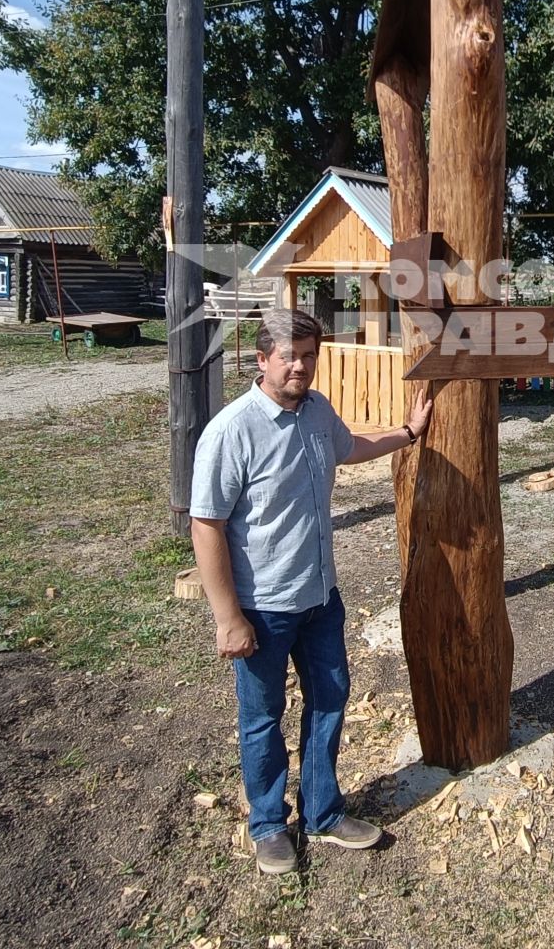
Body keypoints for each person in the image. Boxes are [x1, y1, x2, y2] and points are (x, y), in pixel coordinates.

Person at [190, 307, 432, 875]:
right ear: (261, 360)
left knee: (329, 701)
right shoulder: (232, 431)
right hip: (263, 607)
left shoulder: (318, 411)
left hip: (320, 597)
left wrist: (408, 434)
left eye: (308, 355)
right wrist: (228, 617)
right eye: (288, 357)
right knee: (262, 717)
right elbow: (207, 525)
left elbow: (349, 446)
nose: (299, 366)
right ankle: (270, 825)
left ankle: (323, 813)